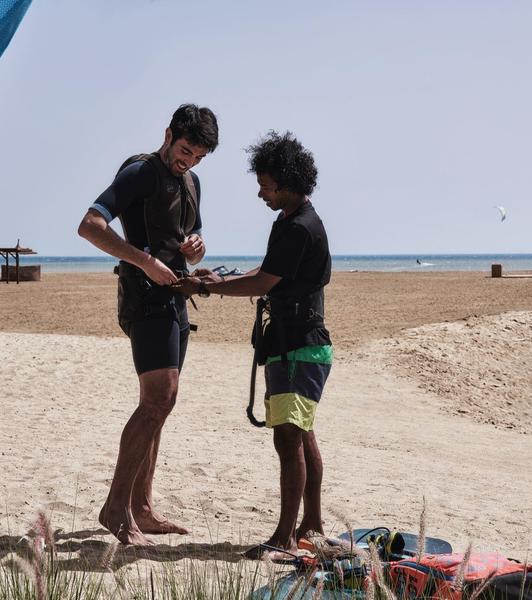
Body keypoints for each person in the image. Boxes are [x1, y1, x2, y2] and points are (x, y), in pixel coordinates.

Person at [176, 131, 332, 559]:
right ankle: (312, 523)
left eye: (265, 185)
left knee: (289, 439)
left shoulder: (300, 227)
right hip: (294, 344)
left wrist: (210, 288)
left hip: (299, 346)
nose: (260, 193)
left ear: (285, 181)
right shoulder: (290, 221)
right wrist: (220, 278)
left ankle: (285, 535)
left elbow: (264, 282)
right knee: (302, 436)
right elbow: (269, 271)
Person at [77, 104, 219, 545]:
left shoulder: (192, 182)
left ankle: (142, 507)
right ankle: (116, 508)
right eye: (184, 150)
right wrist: (144, 261)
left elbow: (187, 245)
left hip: (178, 299)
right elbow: (90, 226)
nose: (188, 161)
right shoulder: (140, 172)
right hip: (144, 298)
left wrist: (195, 250)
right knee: (158, 399)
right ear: (168, 134)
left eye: (197, 156)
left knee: (162, 402)